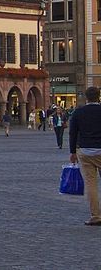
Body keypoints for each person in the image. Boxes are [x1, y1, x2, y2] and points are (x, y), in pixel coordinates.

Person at [69, 86, 101, 226]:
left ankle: (96, 216)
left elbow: (73, 133)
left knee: (91, 184)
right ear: (99, 96)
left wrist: (72, 152)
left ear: (86, 98)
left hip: (86, 150)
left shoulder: (78, 112)